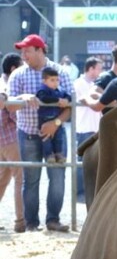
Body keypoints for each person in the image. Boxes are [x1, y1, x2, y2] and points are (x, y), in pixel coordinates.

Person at [6, 34, 75, 233]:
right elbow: (10, 106)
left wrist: (56, 123)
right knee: (31, 179)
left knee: (58, 177)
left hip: (55, 134)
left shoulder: (60, 72)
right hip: (28, 133)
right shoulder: (18, 74)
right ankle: (31, 224)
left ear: (40, 50)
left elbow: (71, 105)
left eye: (27, 50)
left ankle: (53, 220)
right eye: (22, 51)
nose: (23, 55)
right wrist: (22, 97)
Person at [0, 53, 25, 233]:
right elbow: (12, 113)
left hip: (2, 140)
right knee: (20, 179)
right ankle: (20, 221)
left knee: (3, 180)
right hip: (10, 138)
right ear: (13, 69)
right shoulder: (7, 86)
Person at [73, 57, 103, 201]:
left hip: (96, 128)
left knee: (95, 161)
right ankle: (80, 192)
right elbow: (86, 99)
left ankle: (91, 191)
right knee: (82, 161)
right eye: (98, 69)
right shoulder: (78, 84)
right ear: (91, 69)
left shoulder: (96, 84)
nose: (100, 72)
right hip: (83, 128)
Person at [35, 67, 71, 164]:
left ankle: (59, 154)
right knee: (46, 139)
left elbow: (69, 96)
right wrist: (58, 100)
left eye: (57, 80)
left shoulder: (60, 90)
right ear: (44, 81)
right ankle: (49, 155)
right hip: (44, 120)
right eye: (52, 80)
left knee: (58, 138)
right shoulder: (42, 90)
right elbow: (44, 98)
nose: (55, 83)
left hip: (56, 119)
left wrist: (66, 100)